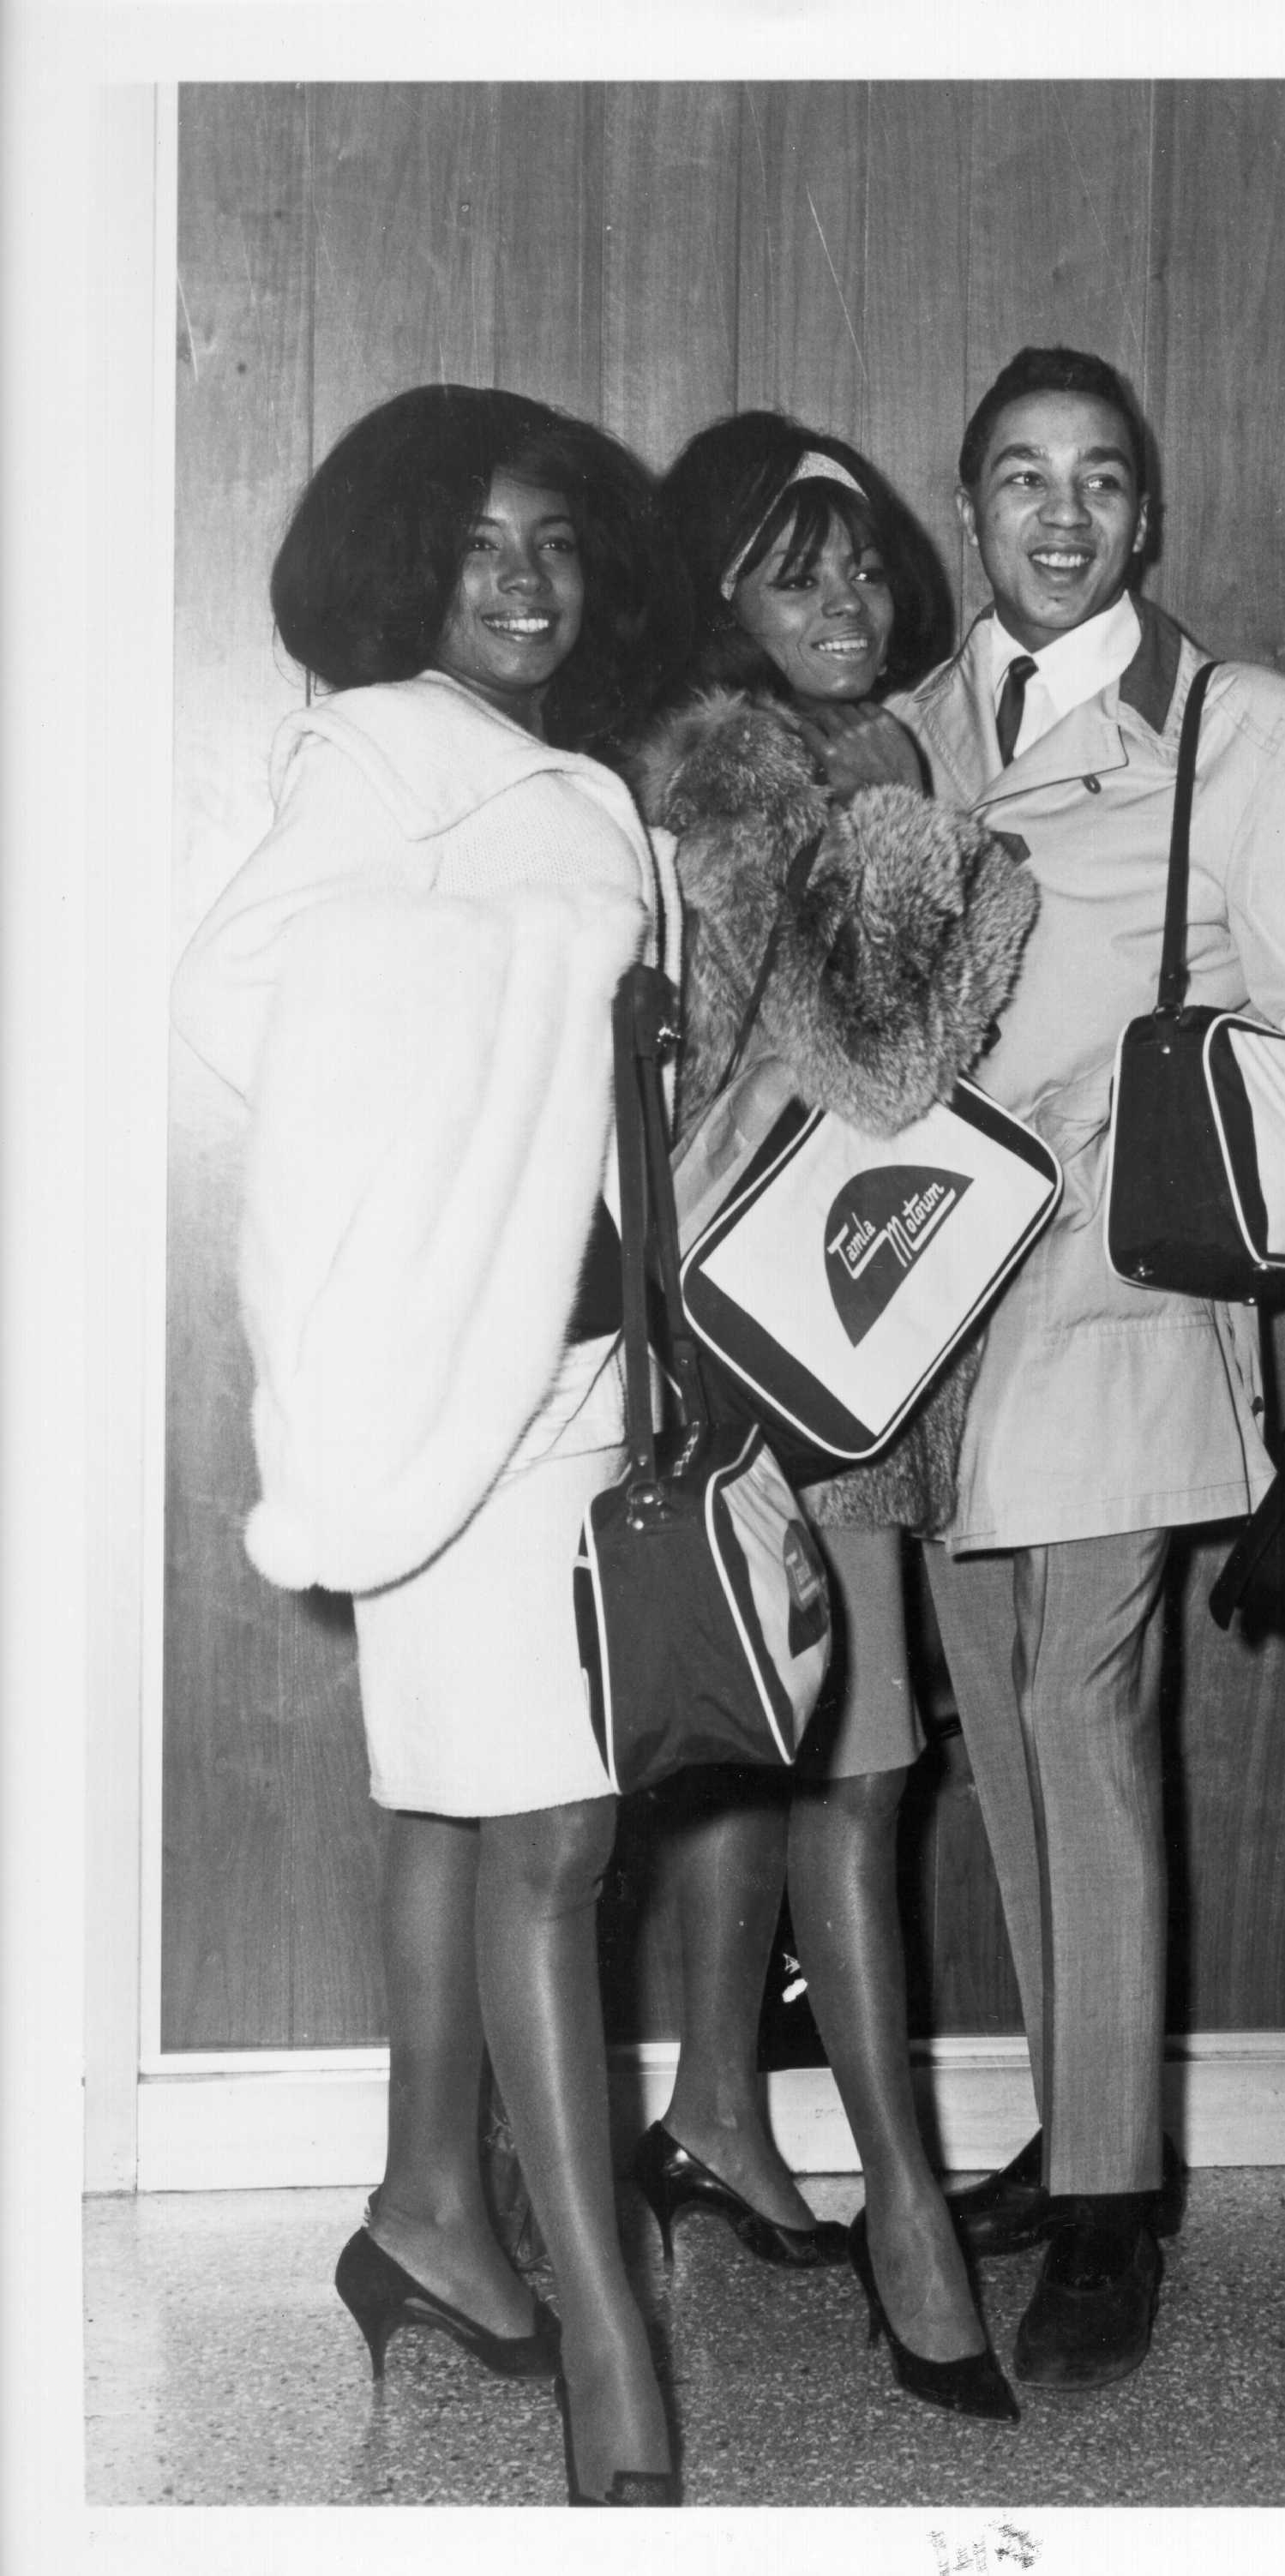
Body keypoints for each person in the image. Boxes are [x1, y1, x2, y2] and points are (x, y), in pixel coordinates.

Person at [892, 346, 1285, 2390]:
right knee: (998, 1725)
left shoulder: (1245, 729)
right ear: (968, 510)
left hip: (1117, 1290)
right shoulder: (909, 733)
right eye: (1017, 478)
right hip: (919, 1312)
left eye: (1098, 484)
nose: (1056, 517)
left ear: (1148, 519)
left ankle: (1110, 2206)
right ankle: (1073, 2114)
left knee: (1077, 1700)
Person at [171, 384, 688, 2505]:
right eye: (480, 546)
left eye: (557, 543)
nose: (526, 582)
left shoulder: (584, 779)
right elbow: (238, 995)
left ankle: (428, 2215)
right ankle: (614, 2360)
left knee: (472, 1810)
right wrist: (537, 973)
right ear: (405, 566)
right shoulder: (370, 747)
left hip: (577, 1379)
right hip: (449, 1366)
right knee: (553, 1831)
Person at [627, 414, 1038, 2420]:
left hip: (821, 1319)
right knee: (857, 1770)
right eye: (797, 570)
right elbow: (884, 1075)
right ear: (718, 598)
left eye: (867, 564)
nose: (849, 600)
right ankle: (906, 2216)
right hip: (791, 1341)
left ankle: (717, 2108)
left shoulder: (790, 758)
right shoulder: (748, 774)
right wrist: (969, 857)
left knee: (771, 1749)